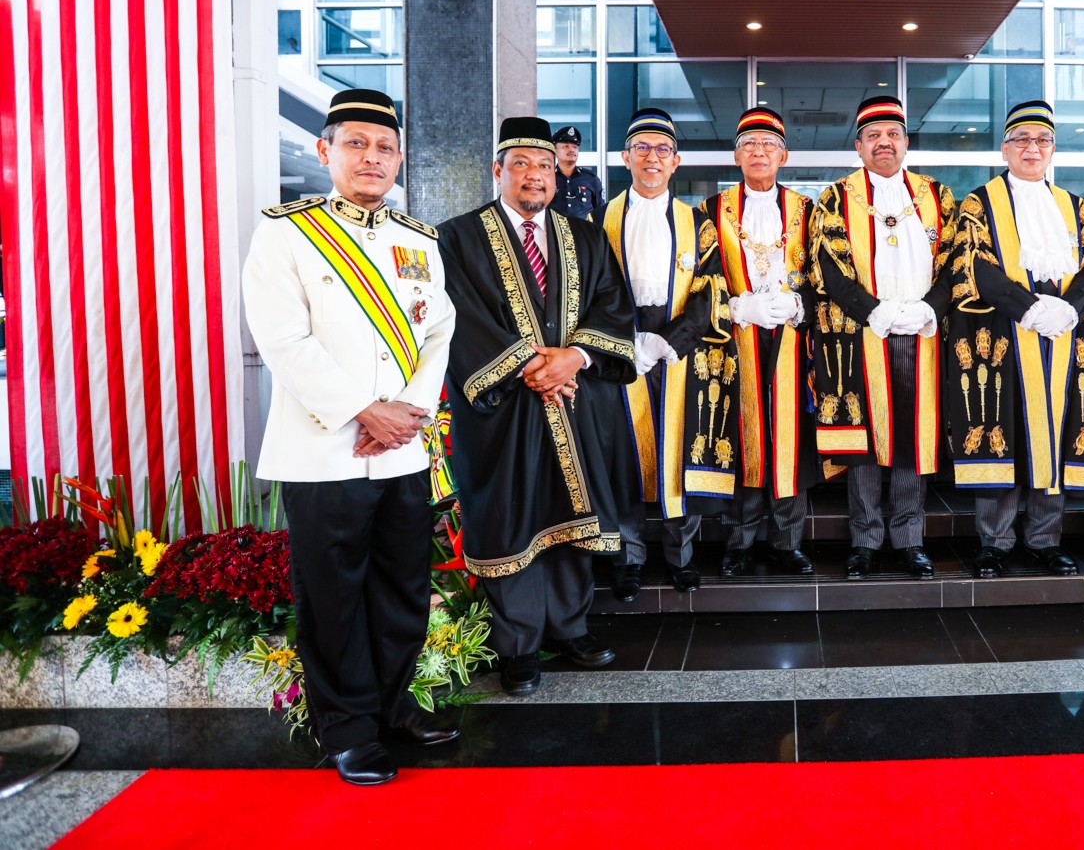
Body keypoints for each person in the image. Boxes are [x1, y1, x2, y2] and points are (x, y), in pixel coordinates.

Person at [242, 89, 459, 785]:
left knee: (402, 586)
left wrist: (408, 412)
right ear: (325, 149)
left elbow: (439, 332)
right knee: (332, 596)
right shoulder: (286, 233)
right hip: (323, 448)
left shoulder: (418, 240)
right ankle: (348, 728)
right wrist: (364, 410)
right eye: (357, 143)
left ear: (399, 158)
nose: (372, 157)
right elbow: (284, 340)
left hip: (400, 448)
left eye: (385, 147)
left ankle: (394, 707)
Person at [436, 117, 636, 696]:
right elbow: (458, 317)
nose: (534, 175)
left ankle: (571, 627)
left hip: (576, 400)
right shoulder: (457, 238)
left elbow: (612, 306)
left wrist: (573, 357)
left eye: (544, 165)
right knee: (513, 514)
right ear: (497, 170)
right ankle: (519, 644)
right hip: (503, 409)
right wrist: (531, 366)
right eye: (521, 164)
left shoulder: (586, 237)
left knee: (573, 511)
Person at [944, 100, 1084, 578]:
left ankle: (1044, 539)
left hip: (1062, 336)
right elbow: (975, 263)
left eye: (1043, 140)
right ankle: (994, 542)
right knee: (1001, 429)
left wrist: (1069, 309)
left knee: (1053, 433)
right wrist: (1030, 309)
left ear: (1052, 149)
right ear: (1004, 149)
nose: (1032, 148)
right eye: (1022, 139)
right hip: (1003, 334)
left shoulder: (1074, 205)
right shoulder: (979, 202)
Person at [810, 95, 957, 580]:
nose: (883, 143)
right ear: (858, 146)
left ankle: (911, 539)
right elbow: (828, 269)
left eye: (892, 134)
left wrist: (928, 309)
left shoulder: (937, 195)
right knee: (866, 440)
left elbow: (956, 264)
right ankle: (866, 539)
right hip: (862, 335)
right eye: (873, 136)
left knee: (914, 437)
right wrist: (876, 312)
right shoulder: (835, 198)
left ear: (906, 142)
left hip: (923, 335)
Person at [601, 108, 734, 597]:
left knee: (680, 448)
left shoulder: (697, 222)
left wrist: (670, 341)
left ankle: (682, 556)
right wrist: (626, 341)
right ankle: (629, 557)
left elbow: (711, 289)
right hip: (621, 349)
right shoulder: (597, 220)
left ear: (676, 162)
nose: (652, 158)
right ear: (626, 157)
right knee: (625, 453)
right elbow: (587, 292)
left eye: (662, 150)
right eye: (642, 148)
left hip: (680, 349)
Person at [698, 108, 818, 577]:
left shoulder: (808, 210)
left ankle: (788, 542)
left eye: (769, 144)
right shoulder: (711, 211)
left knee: (790, 438)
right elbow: (701, 277)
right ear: (736, 156)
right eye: (749, 144)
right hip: (735, 339)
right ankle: (740, 541)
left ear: (784, 156)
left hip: (791, 340)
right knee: (742, 433)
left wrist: (800, 303)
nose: (759, 152)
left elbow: (825, 274)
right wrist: (736, 306)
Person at [547, 125, 605, 222]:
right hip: (554, 230)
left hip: (585, 231)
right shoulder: (547, 177)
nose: (572, 150)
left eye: (575, 147)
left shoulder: (591, 179)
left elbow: (601, 212)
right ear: (555, 151)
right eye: (566, 146)